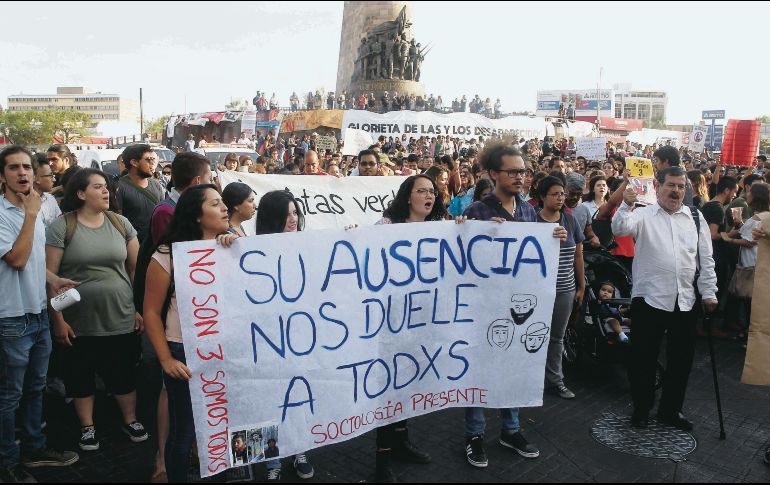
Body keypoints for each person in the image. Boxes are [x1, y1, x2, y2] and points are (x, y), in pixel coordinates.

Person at [462, 143, 567, 468]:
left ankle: (511, 429)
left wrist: (554, 237)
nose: (520, 177)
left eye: (523, 171)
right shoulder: (478, 211)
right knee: (479, 371)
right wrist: (472, 232)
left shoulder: (527, 212)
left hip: (517, 309)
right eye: (513, 171)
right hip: (483, 310)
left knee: (514, 366)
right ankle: (475, 435)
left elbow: (534, 257)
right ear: (494, 174)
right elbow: (462, 259)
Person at [46, 168, 147, 452]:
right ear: (80, 194)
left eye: (107, 187)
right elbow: (50, 278)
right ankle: (87, 427)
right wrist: (58, 320)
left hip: (120, 313)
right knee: (80, 373)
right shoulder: (62, 226)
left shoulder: (120, 223)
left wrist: (137, 309)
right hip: (77, 318)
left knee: (122, 371)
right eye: (98, 187)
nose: (107, 192)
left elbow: (135, 269)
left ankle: (130, 420)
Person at [143, 184, 239, 483]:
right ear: (197, 215)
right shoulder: (167, 254)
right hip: (183, 351)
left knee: (223, 426)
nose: (224, 208)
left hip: (227, 350)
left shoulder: (234, 247)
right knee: (184, 429)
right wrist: (165, 360)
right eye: (215, 204)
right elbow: (150, 312)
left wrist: (233, 250)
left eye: (223, 203)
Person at [612, 166, 718, 431]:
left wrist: (709, 291)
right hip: (650, 299)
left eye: (681, 186)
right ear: (658, 187)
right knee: (643, 360)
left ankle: (670, 410)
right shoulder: (644, 214)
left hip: (685, 299)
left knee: (681, 361)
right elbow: (619, 228)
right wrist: (626, 204)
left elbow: (705, 258)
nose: (676, 191)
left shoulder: (695, 217)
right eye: (671, 185)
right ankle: (641, 409)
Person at [0, 146, 80, 483]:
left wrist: (53, 279)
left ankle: (34, 447)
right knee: (9, 395)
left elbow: (32, 259)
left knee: (36, 388)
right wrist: (31, 214)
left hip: (37, 313)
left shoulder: (34, 207)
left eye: (27, 168)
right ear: (2, 175)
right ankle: (8, 459)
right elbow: (16, 259)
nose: (23, 174)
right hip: (12, 318)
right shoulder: (7, 213)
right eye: (14, 168)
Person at [372, 175, 447, 481]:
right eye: (421, 191)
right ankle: (382, 460)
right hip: (391, 325)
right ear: (408, 197)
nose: (428, 196)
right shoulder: (386, 228)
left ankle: (402, 443)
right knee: (388, 391)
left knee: (409, 385)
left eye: (432, 192)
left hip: (422, 323)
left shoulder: (442, 228)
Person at [254, 190, 314, 481]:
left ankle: (300, 448)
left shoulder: (308, 244)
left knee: (300, 394)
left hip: (301, 336)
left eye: (295, 212)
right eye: (286, 214)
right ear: (271, 217)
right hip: (266, 339)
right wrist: (226, 245)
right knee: (268, 398)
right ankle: (271, 459)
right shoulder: (250, 249)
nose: (293, 219)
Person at [535, 176, 585, 400]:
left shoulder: (570, 221)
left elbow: (578, 255)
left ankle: (556, 380)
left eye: (562, 194)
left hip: (565, 289)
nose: (560, 198)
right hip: (538, 291)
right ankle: (530, 379)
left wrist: (581, 285)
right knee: (533, 335)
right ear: (542, 197)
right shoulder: (532, 223)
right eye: (554, 194)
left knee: (557, 337)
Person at [720, 182, 769, 338]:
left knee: (750, 305)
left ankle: (751, 336)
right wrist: (740, 223)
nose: (746, 194)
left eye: (749, 193)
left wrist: (729, 240)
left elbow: (749, 241)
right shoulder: (766, 215)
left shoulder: (756, 218)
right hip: (760, 263)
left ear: (755, 196)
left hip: (751, 265)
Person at [116, 144, 164, 243]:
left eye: (154, 159)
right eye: (149, 159)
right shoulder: (118, 188)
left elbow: (161, 214)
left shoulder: (157, 185)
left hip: (155, 245)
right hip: (132, 246)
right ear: (134, 162)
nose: (153, 163)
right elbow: (117, 222)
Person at [34, 159, 61, 228]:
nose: (54, 180)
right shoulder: (20, 205)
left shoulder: (50, 198)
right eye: (50, 175)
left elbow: (59, 223)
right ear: (36, 179)